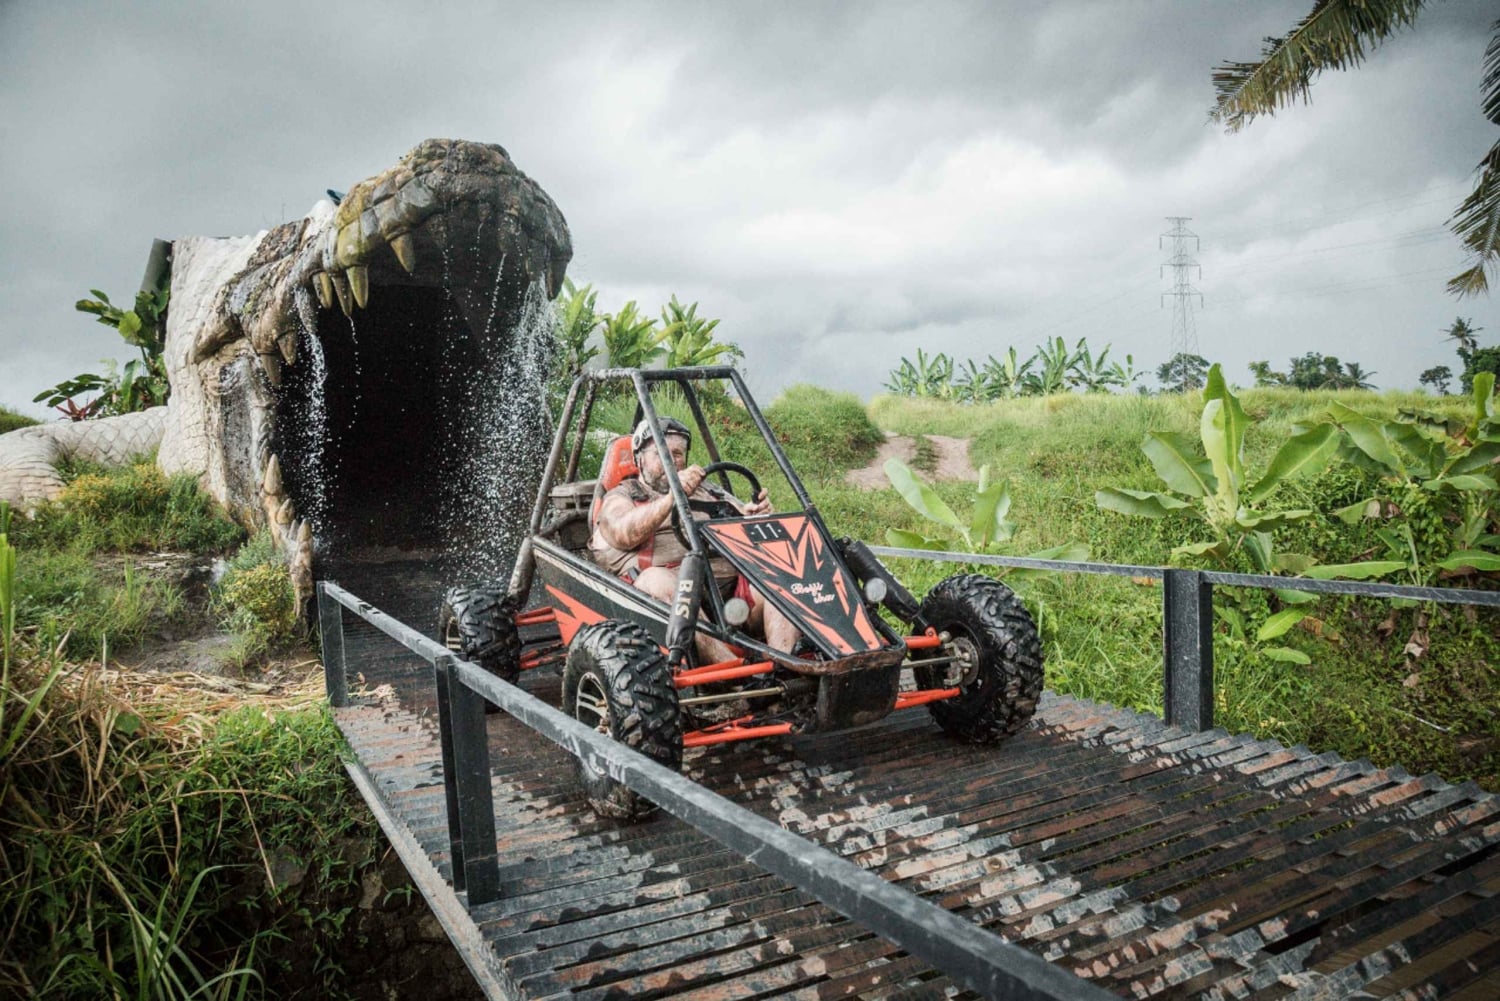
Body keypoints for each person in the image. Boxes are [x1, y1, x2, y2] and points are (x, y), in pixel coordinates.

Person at [590, 418, 799, 656]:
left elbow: (745, 522)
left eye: (678, 454)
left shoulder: (707, 490)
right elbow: (622, 532)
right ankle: (732, 675)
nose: (672, 461)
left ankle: (784, 667)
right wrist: (672, 498)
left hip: (730, 598)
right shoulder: (623, 495)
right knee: (656, 579)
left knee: (781, 573)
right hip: (667, 596)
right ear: (639, 459)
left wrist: (753, 515)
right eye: (661, 454)